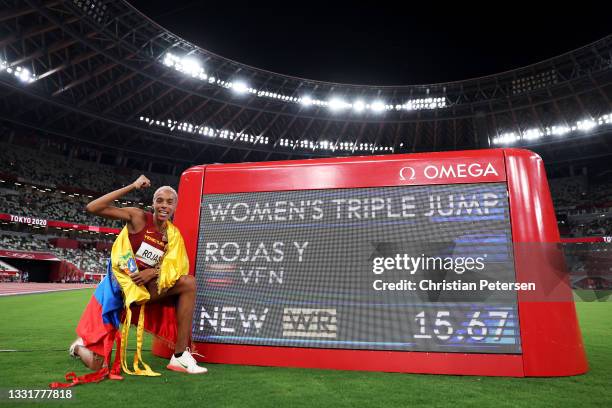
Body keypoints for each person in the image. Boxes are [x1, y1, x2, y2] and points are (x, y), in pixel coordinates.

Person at [68, 175, 207, 376]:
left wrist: (154, 271)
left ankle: (180, 356)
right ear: (152, 203)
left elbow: (177, 268)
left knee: (188, 282)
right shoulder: (138, 217)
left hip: (145, 292)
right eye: (159, 200)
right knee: (97, 366)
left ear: (176, 206)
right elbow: (93, 208)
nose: (164, 206)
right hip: (118, 290)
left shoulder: (173, 235)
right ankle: (79, 346)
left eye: (169, 202)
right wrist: (132, 185)